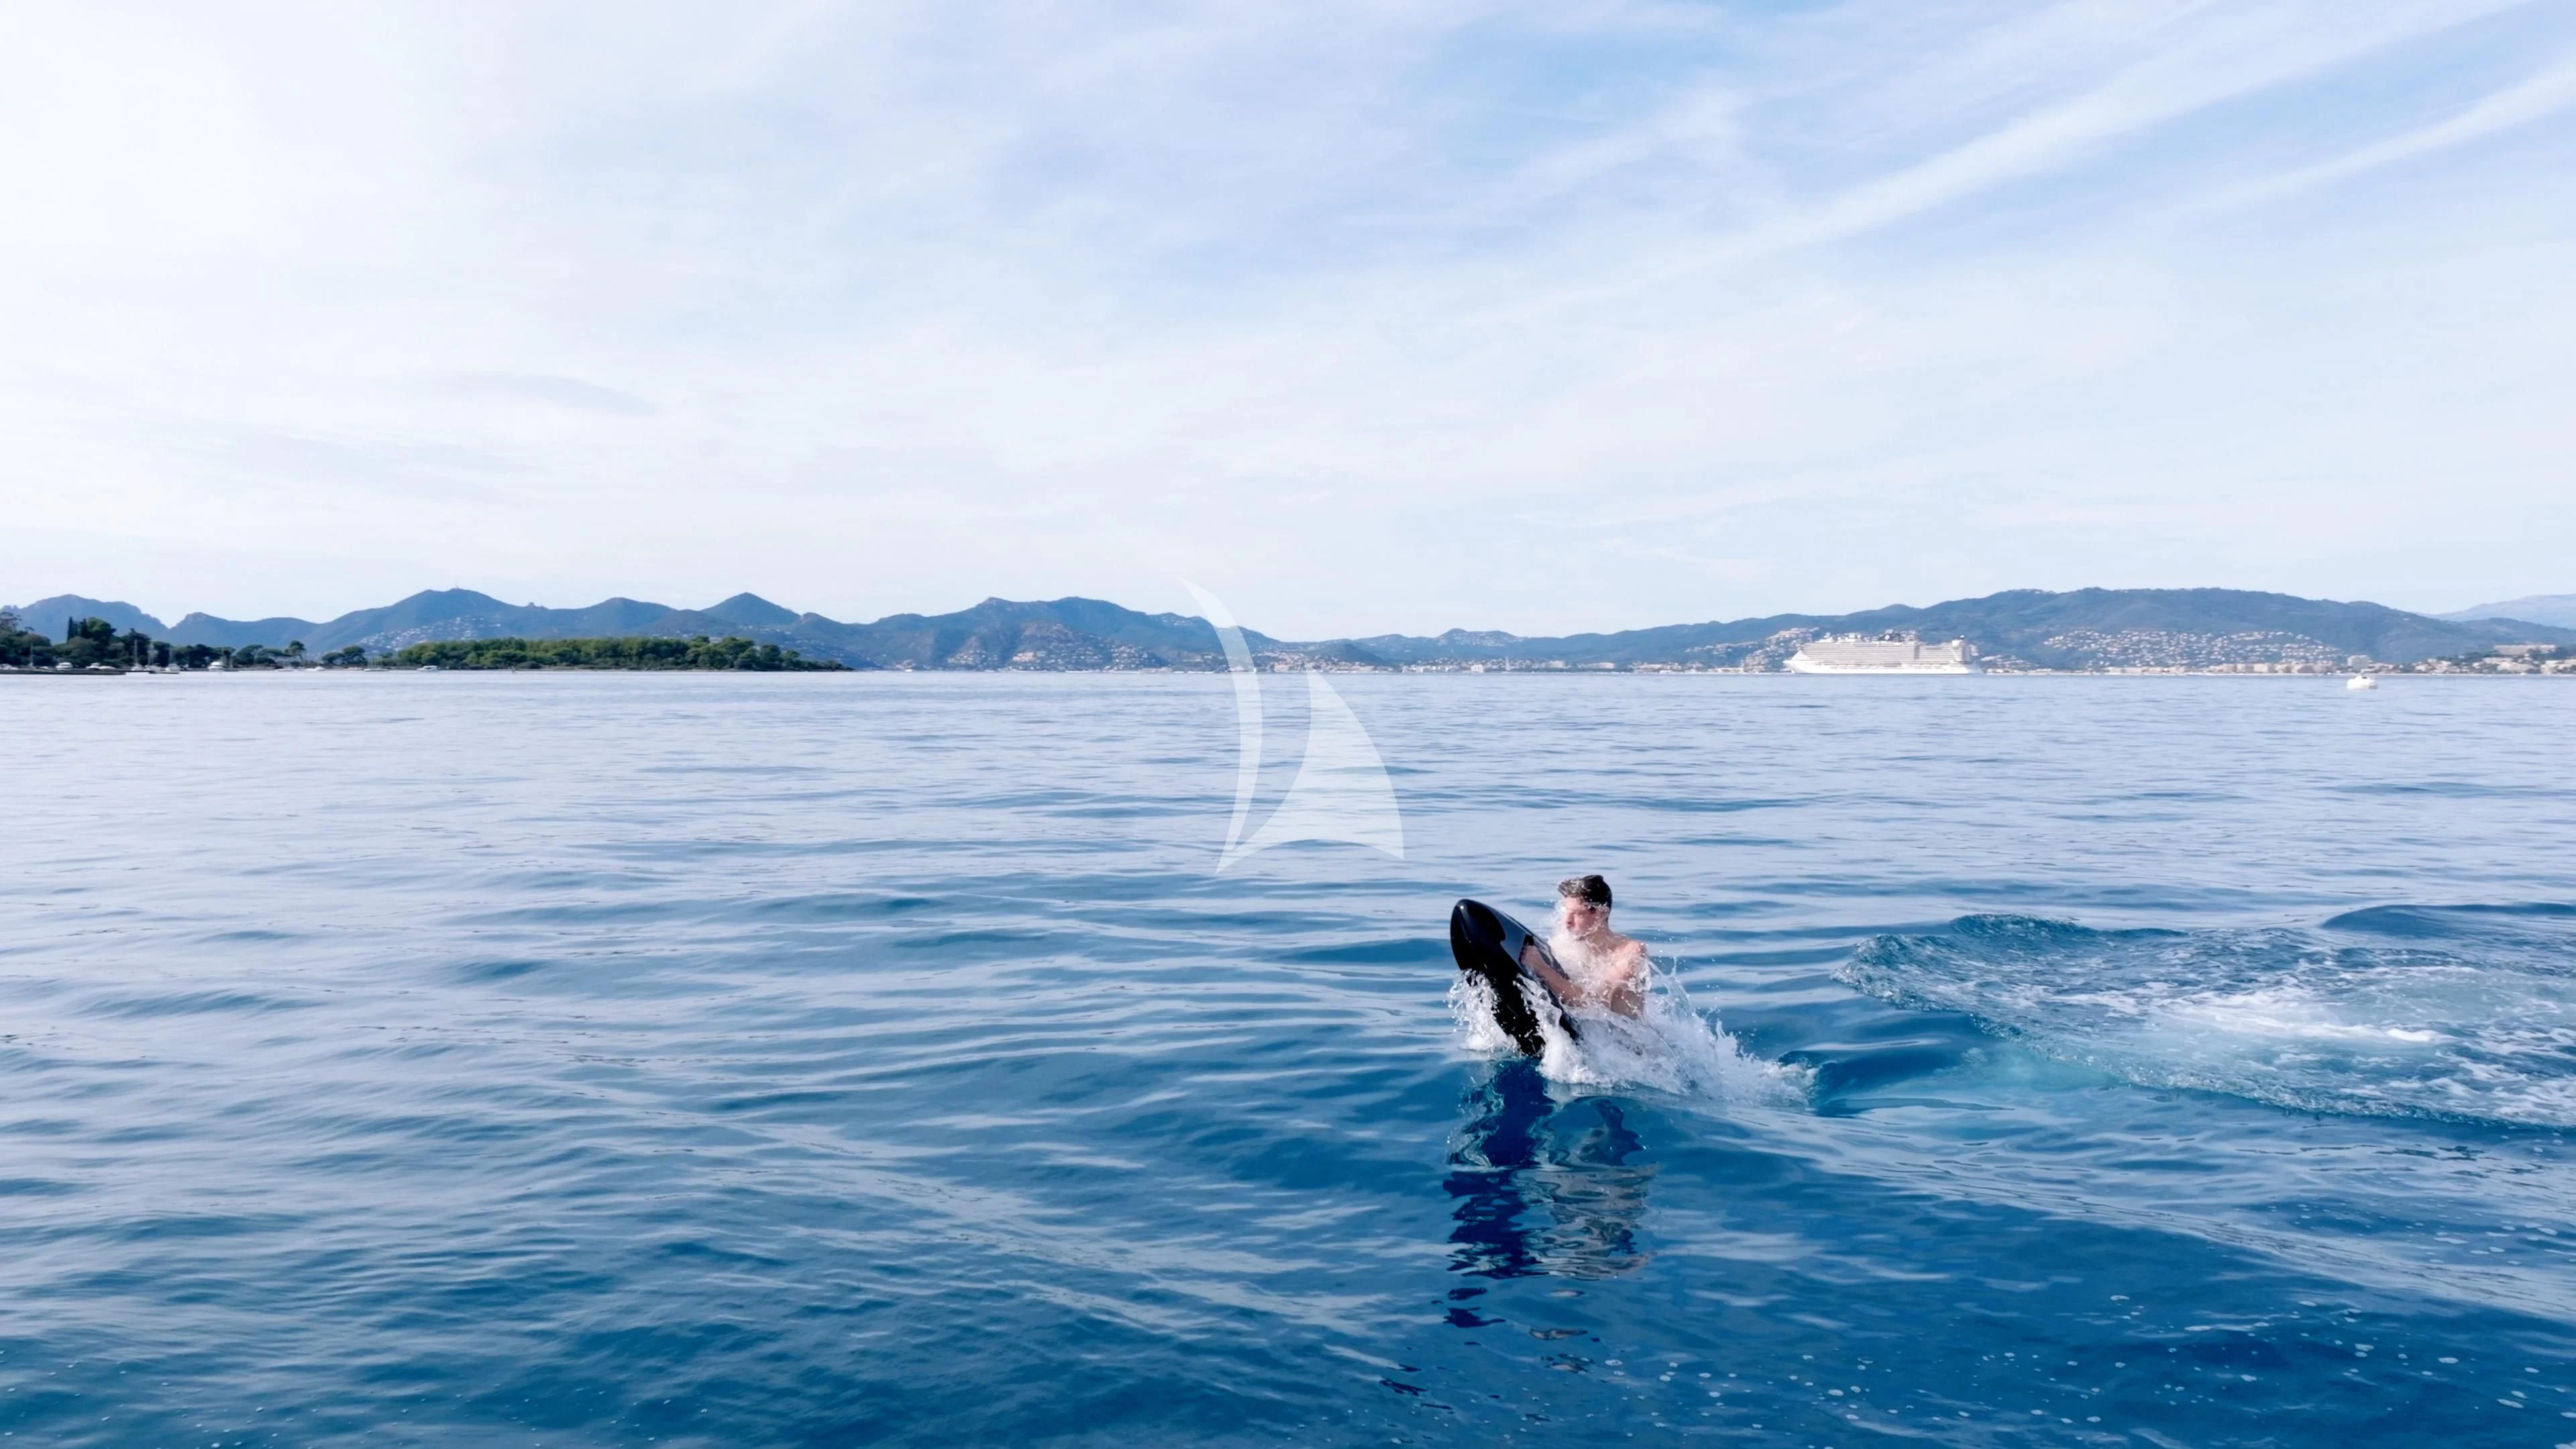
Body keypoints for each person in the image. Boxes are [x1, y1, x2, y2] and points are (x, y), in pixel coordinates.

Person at [1517, 874, 1646, 1018]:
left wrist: (1542, 969)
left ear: (1602, 913)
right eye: (1566, 912)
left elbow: (1596, 1004)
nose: (1567, 921)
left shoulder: (1629, 952)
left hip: (1623, 1037)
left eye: (1577, 914)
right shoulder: (1561, 945)